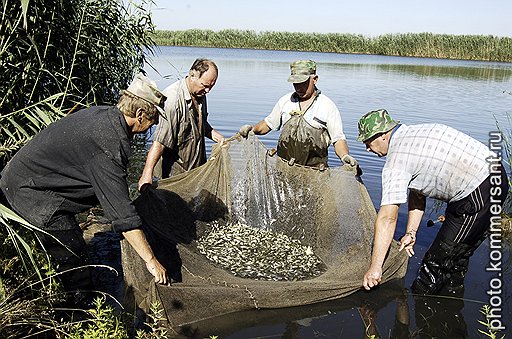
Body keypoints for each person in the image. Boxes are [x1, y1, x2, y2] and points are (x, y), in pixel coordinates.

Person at [0, 73, 170, 303]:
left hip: (26, 179)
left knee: (72, 247)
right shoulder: (107, 143)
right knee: (75, 263)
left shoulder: (107, 115)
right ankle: (74, 317)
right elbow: (122, 215)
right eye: (153, 120)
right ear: (139, 114)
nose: (154, 125)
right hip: (30, 193)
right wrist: (151, 260)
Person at [359, 109, 508, 294]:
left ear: (382, 135)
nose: (367, 148)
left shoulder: (396, 161)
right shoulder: (413, 133)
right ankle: (449, 310)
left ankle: (424, 307)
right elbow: (417, 194)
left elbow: (387, 219)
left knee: (435, 261)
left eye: (367, 142)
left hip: (480, 188)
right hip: (491, 177)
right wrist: (411, 233)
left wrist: (375, 268)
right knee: (458, 255)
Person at [238, 60, 357, 170]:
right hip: (284, 167)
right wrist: (252, 129)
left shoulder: (327, 106)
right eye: (295, 83)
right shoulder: (286, 101)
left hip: (315, 172)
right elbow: (268, 124)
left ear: (315, 79)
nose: (299, 87)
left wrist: (344, 156)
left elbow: (338, 139)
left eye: (303, 82)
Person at [138, 58, 224, 189]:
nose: (208, 91)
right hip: (175, 176)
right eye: (205, 85)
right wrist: (146, 174)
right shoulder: (172, 101)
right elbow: (160, 142)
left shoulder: (200, 94)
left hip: (196, 171)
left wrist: (215, 135)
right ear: (192, 75)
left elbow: (199, 124)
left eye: (211, 87)